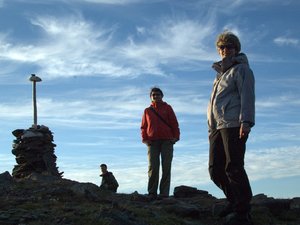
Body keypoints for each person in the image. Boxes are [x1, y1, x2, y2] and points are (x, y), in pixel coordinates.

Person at [207, 31, 255, 225]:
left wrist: (246, 122)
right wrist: (211, 126)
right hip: (217, 127)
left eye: (229, 47)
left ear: (236, 49)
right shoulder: (219, 75)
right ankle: (234, 200)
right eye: (222, 47)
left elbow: (247, 96)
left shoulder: (242, 69)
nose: (225, 50)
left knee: (233, 167)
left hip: (235, 124)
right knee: (214, 170)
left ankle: (242, 211)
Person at [141, 87, 180, 200]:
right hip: (152, 142)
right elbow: (143, 127)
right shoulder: (147, 111)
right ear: (151, 97)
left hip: (167, 141)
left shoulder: (168, 108)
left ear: (162, 96)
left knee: (166, 166)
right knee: (153, 167)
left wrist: (176, 137)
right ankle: (152, 192)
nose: (156, 96)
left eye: (158, 94)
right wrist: (145, 139)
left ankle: (164, 193)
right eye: (154, 95)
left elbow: (174, 123)